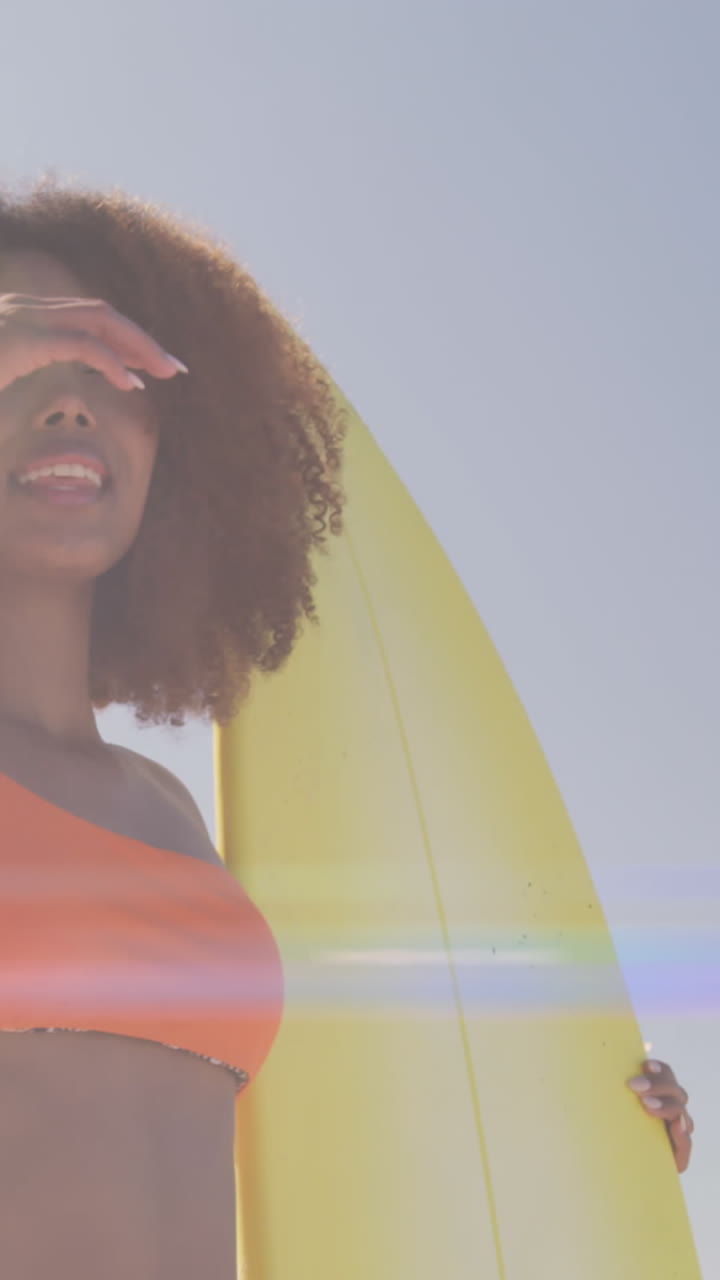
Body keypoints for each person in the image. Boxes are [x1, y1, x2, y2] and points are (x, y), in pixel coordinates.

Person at [0, 179, 693, 1277]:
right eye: (24, 356)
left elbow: (329, 1140)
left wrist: (581, 1117)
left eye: (111, 366)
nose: (69, 402)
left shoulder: (167, 811)